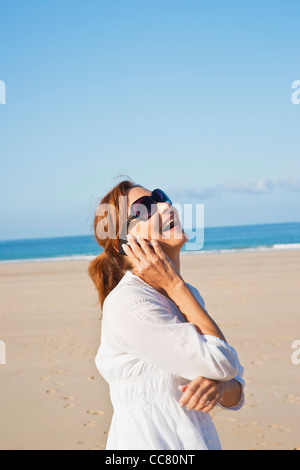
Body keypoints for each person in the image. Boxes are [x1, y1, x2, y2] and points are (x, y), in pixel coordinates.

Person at [88, 178, 245, 450]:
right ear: (122, 243)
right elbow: (225, 364)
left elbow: (235, 390)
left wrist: (220, 388)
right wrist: (174, 285)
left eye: (161, 197)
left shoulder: (188, 295)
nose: (164, 207)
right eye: (143, 209)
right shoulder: (130, 302)